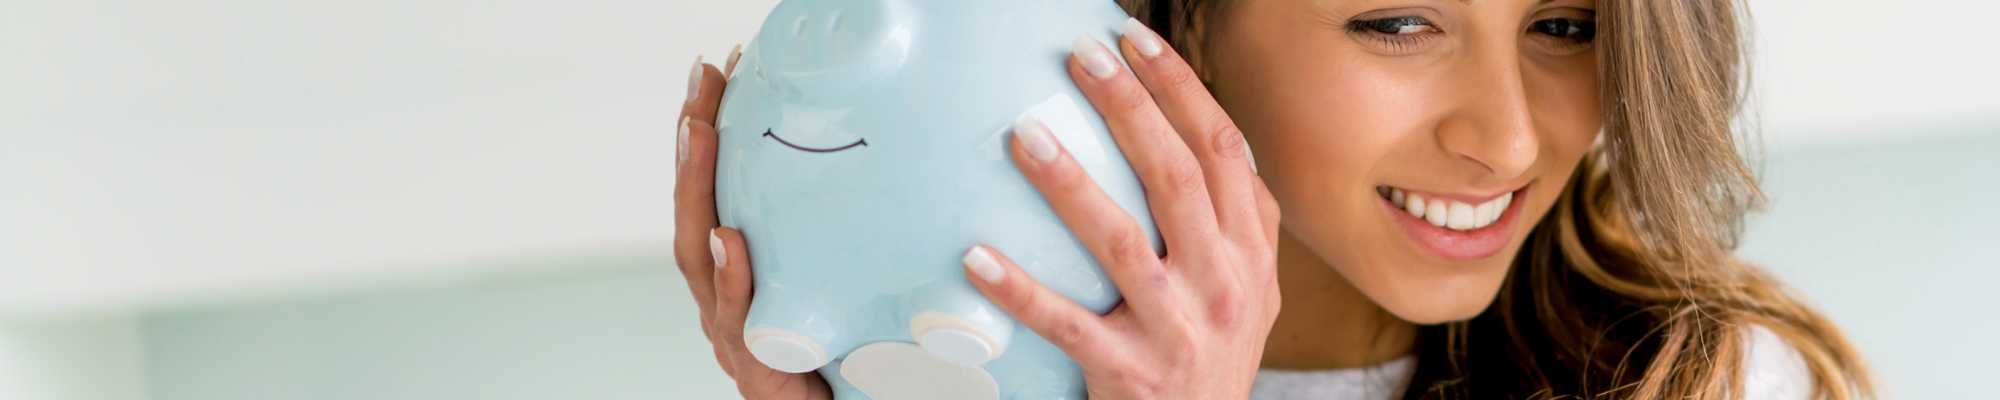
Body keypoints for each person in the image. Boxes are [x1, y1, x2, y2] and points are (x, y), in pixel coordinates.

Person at [672, 0, 1874, 398]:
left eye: (1561, 25)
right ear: (1183, 25)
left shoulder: (1711, 379)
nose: (1506, 135)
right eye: (1397, 22)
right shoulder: (972, 354)